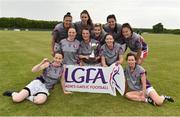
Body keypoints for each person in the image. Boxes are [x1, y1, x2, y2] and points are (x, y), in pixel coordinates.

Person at [3, 53, 72, 104]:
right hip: (38, 83)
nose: (57, 60)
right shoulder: (48, 64)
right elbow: (33, 70)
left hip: (46, 88)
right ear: (53, 58)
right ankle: (13, 93)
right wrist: (42, 62)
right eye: (56, 58)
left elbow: (62, 79)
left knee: (39, 101)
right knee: (16, 99)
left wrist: (64, 91)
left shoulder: (63, 67)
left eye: (59, 58)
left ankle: (27, 95)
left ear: (62, 59)